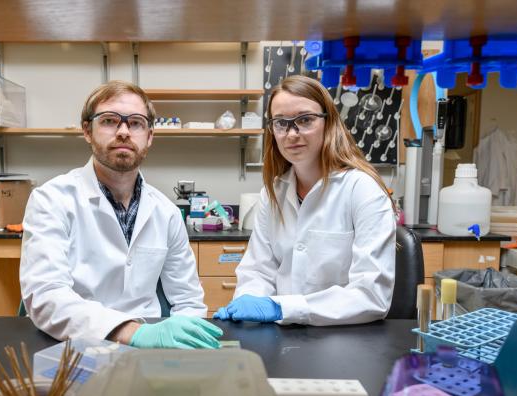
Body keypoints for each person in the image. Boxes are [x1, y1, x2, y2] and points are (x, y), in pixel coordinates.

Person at [21, 80, 222, 349]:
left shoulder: (167, 213)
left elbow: (188, 300)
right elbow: (47, 296)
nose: (124, 131)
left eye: (136, 123)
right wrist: (131, 332)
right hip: (75, 346)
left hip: (152, 351)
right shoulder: (52, 200)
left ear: (149, 136)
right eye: (109, 121)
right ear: (87, 131)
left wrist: (184, 351)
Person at [214, 75, 395, 325]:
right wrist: (248, 301)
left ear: (329, 123)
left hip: (345, 337)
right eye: (281, 123)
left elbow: (371, 295)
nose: (291, 134)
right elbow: (258, 269)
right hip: (283, 337)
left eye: (305, 120)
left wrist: (280, 308)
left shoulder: (362, 189)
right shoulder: (273, 191)